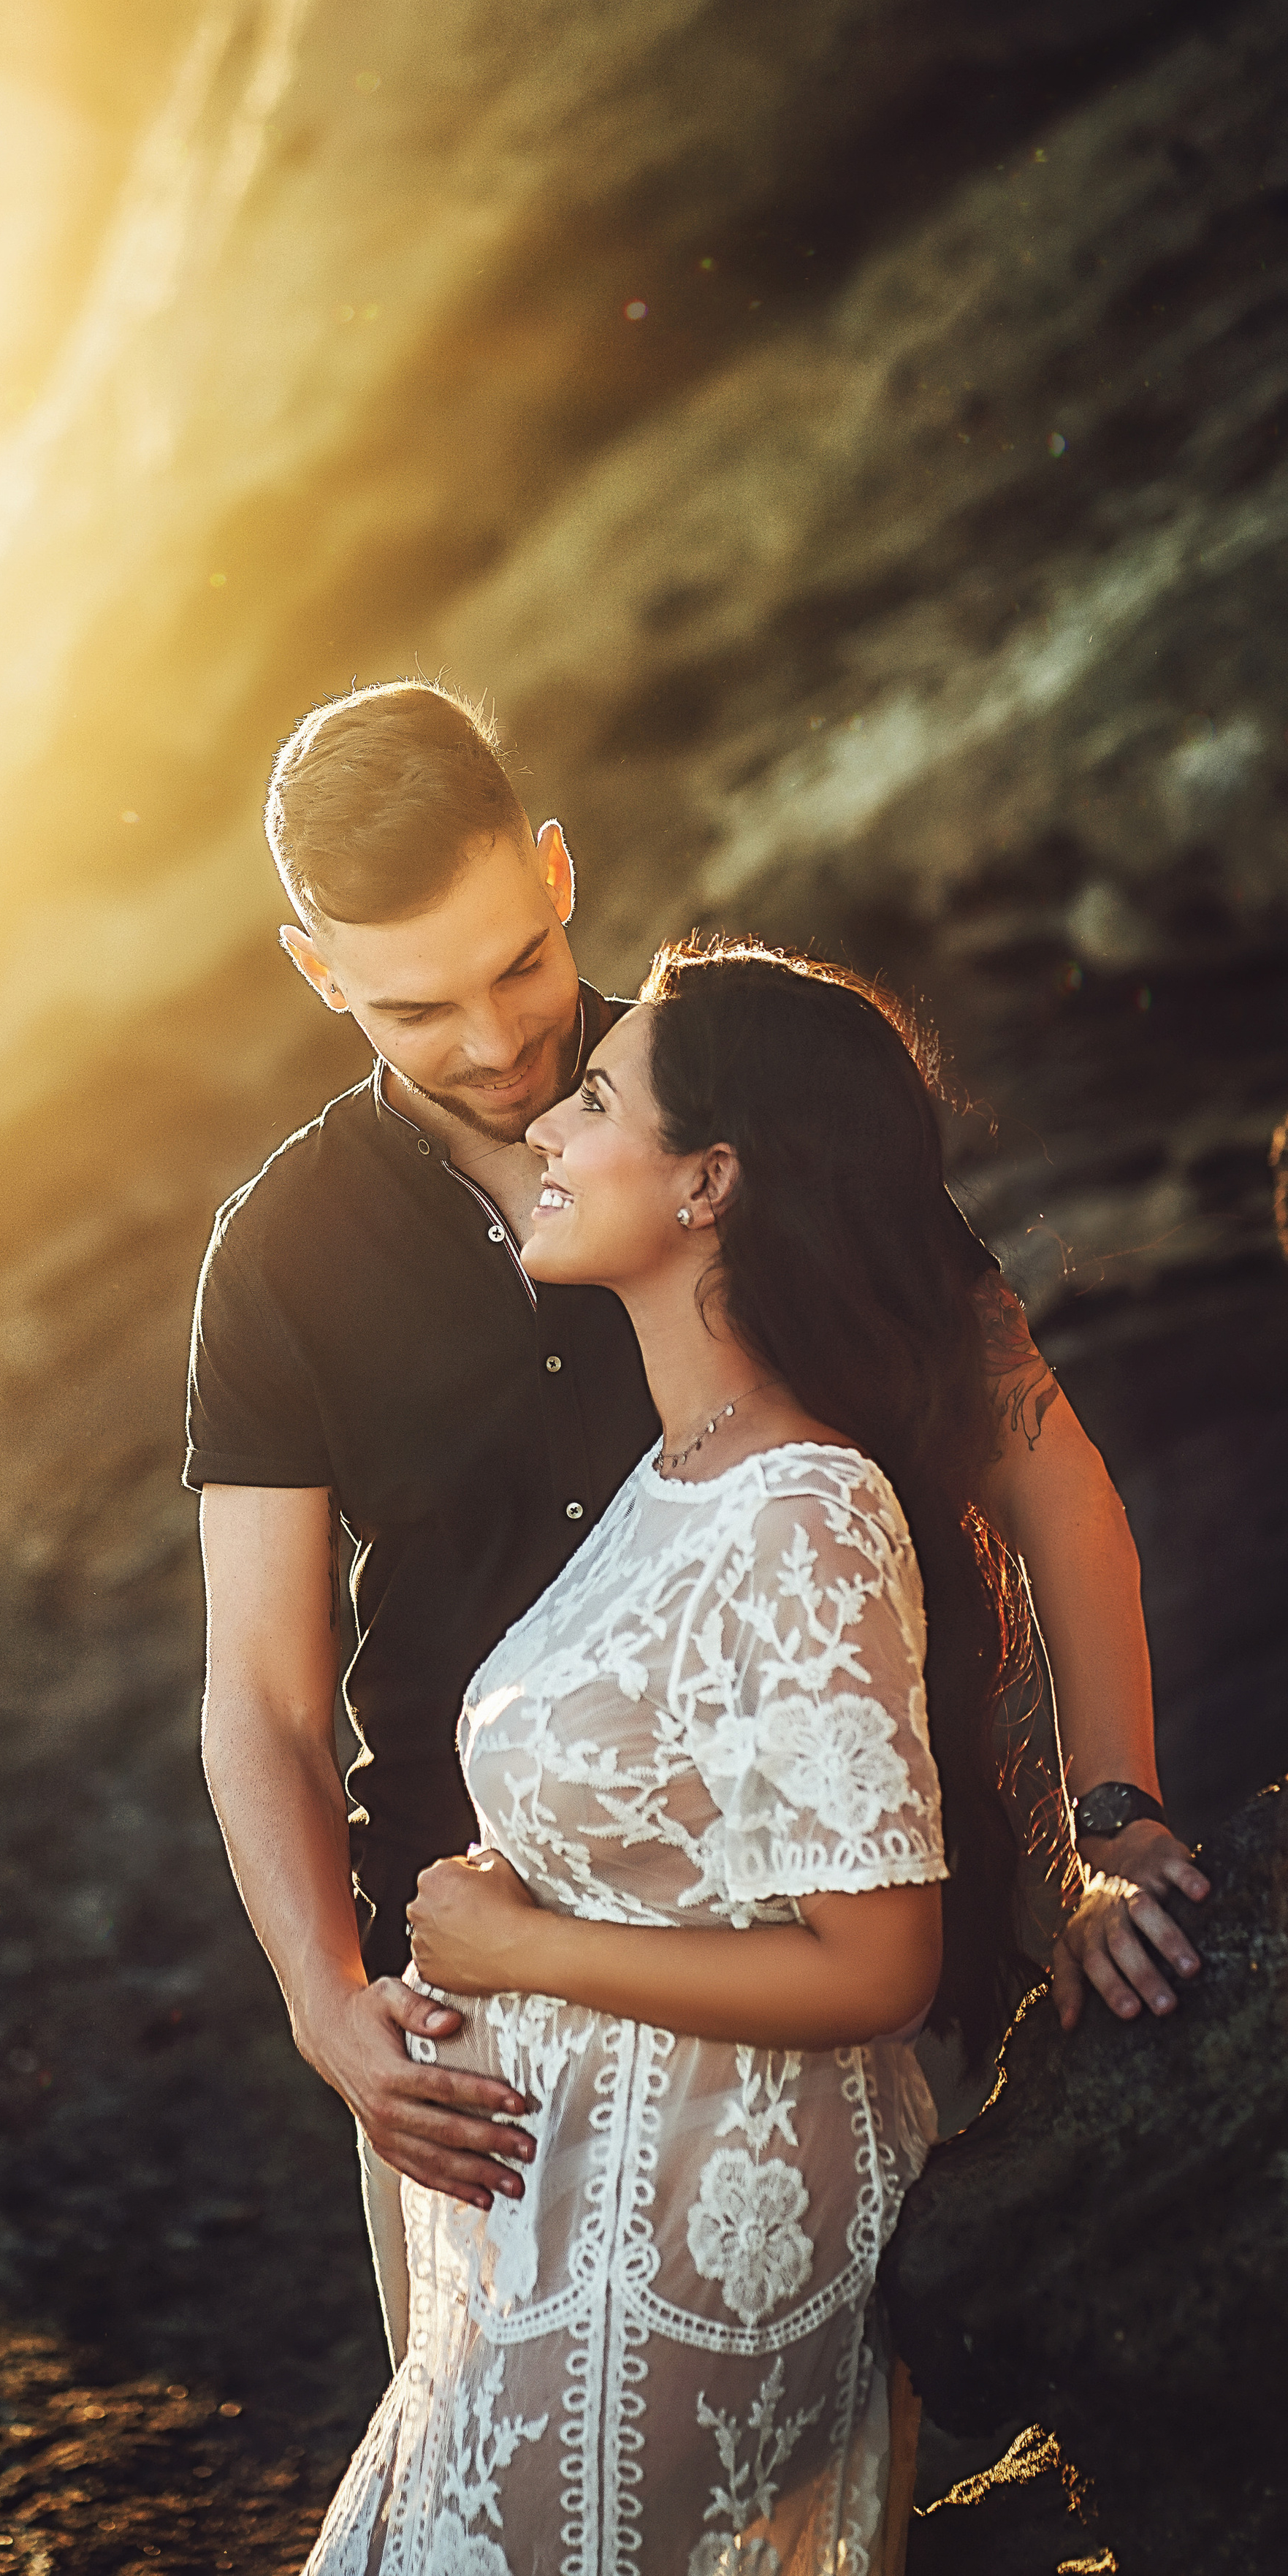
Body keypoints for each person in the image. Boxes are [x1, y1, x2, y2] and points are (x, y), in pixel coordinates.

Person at [188, 682, 1204, 2369]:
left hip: (869, 1937)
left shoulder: (738, 1091)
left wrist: (1105, 1823)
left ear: (556, 865)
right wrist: (327, 2015)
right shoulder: (278, 1255)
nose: (503, 1045)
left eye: (516, 963)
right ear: (314, 970)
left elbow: (1045, 1474)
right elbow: (265, 1699)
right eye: (414, 1008)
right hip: (474, 2031)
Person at [302, 941, 1020, 2569]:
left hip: (695, 2247)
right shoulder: (679, 1471)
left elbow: (876, 1961)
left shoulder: (805, 1510)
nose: (546, 1130)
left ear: (708, 1181)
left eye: (597, 1100)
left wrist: (518, 1942)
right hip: (566, 2234)